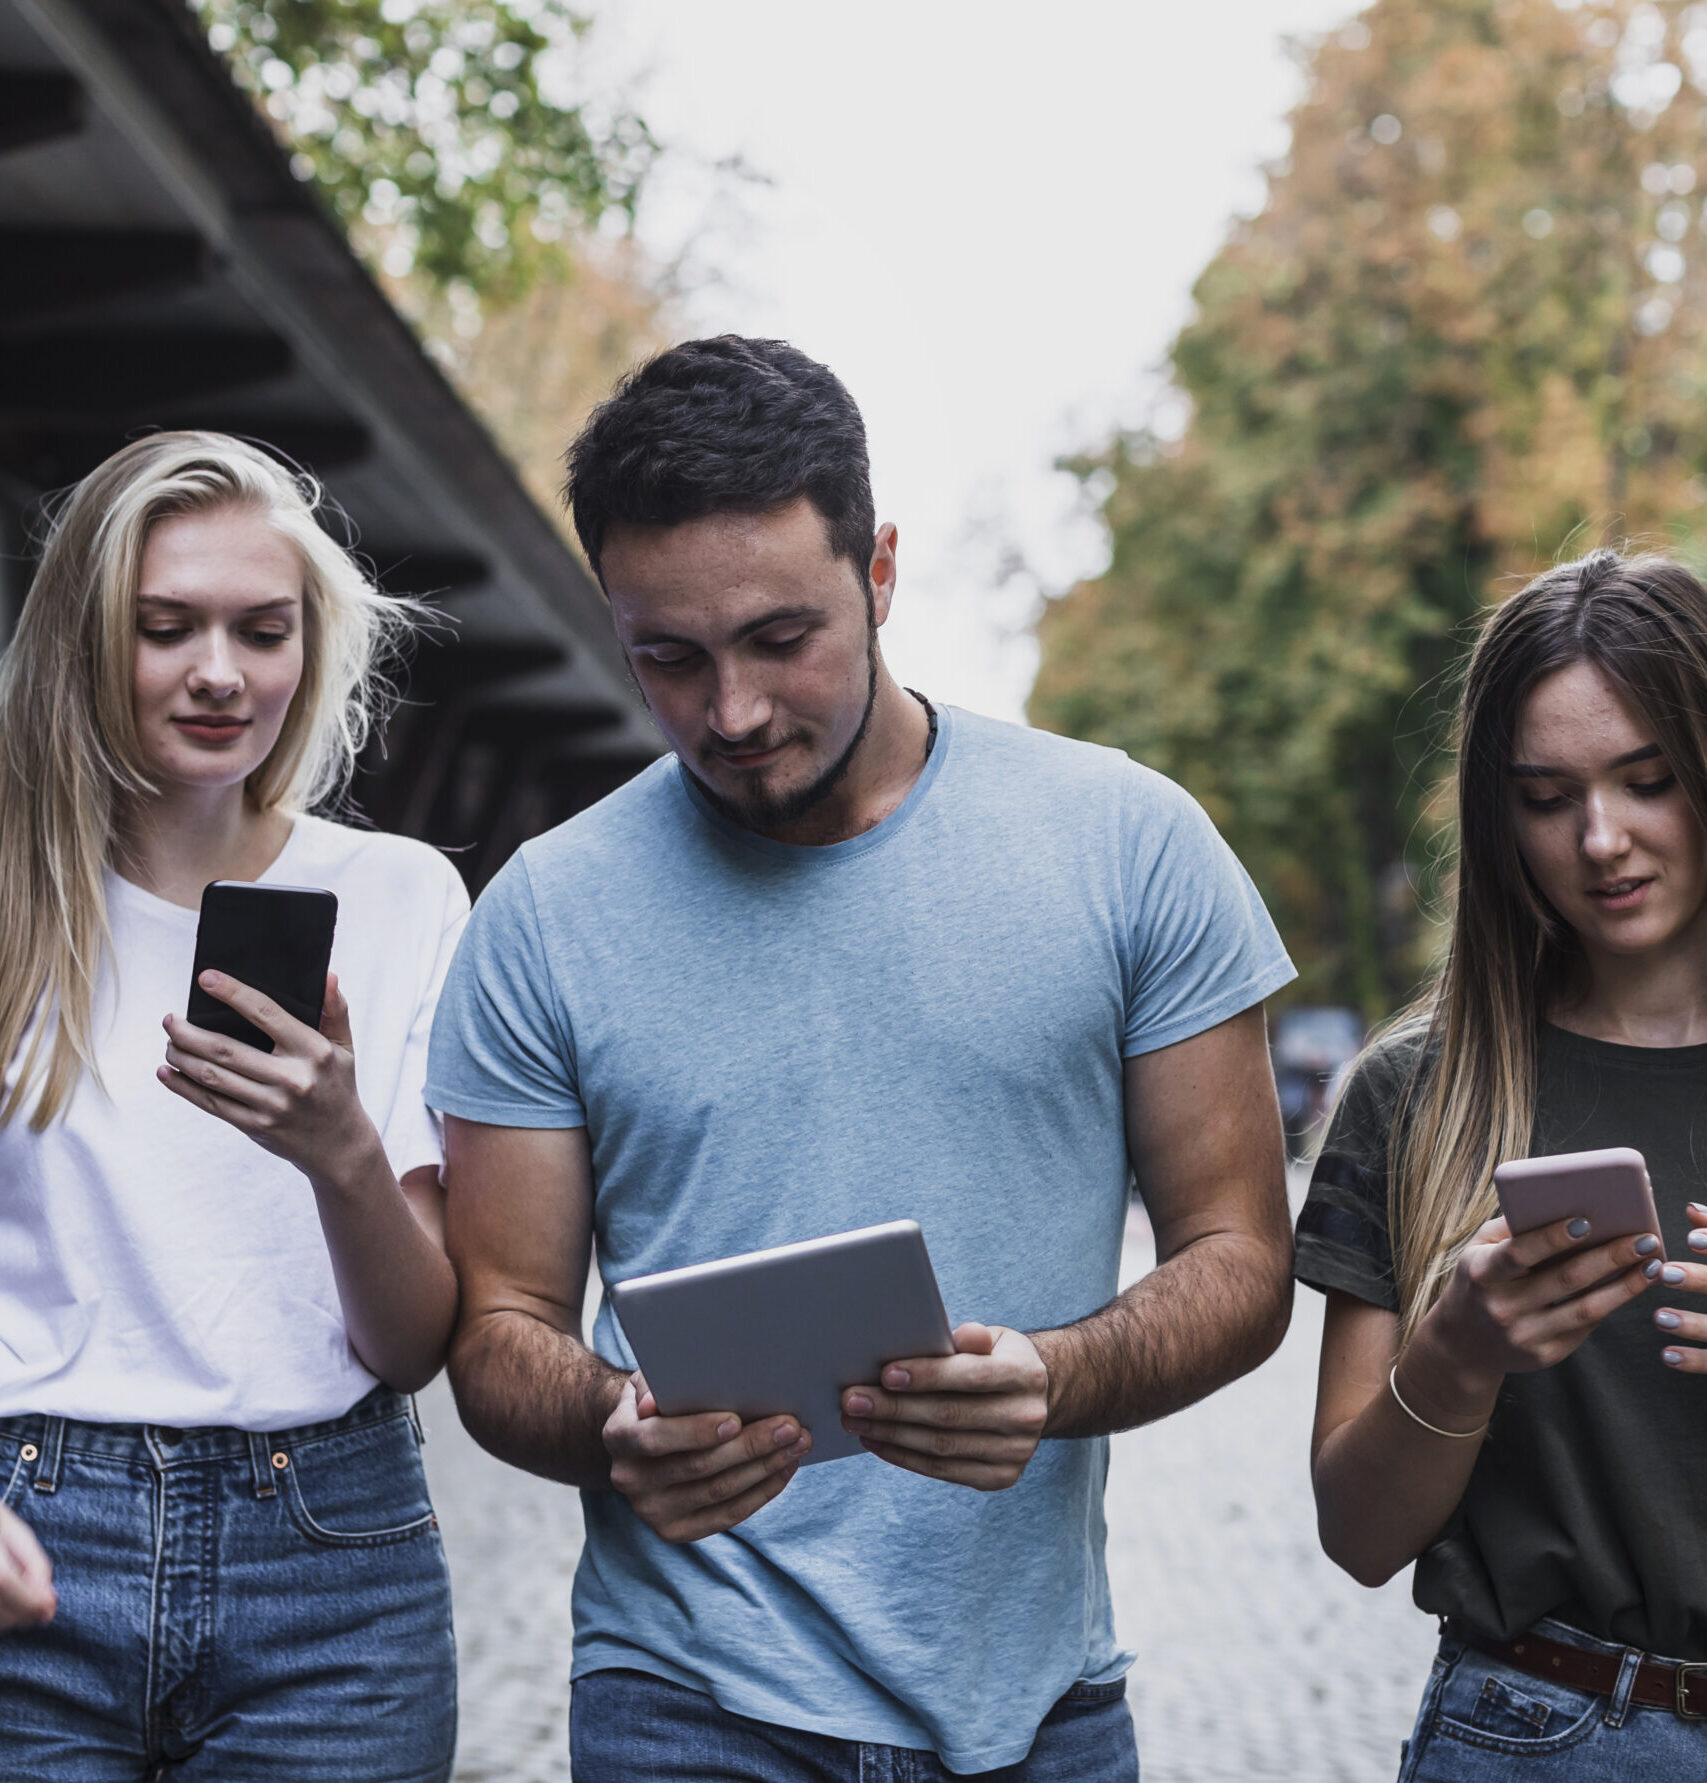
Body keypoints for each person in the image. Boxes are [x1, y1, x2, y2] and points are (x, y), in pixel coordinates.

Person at [427, 335, 1298, 1779]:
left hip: (1039, 1706)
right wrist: (609, 1419)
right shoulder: (543, 911)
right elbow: (496, 1326)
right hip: (683, 1696)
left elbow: (1240, 1255)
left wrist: (1056, 1375)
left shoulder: (1126, 843)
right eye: (667, 656)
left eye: (782, 637)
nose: (733, 712)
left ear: (879, 570)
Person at [0, 433, 467, 1780]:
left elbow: (413, 1338)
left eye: (262, 629)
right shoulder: (17, 898)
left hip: (329, 1561)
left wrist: (339, 1154)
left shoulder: (402, 900)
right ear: (88, 637)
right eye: (165, 627)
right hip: (33, 1531)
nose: (219, 670)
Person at [1297, 550, 1707, 1777]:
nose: (1600, 838)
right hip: (1538, 1732)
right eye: (1546, 795)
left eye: (1648, 780)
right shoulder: (1417, 1093)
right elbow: (1361, 1535)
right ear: (1496, 813)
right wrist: (1461, 1352)